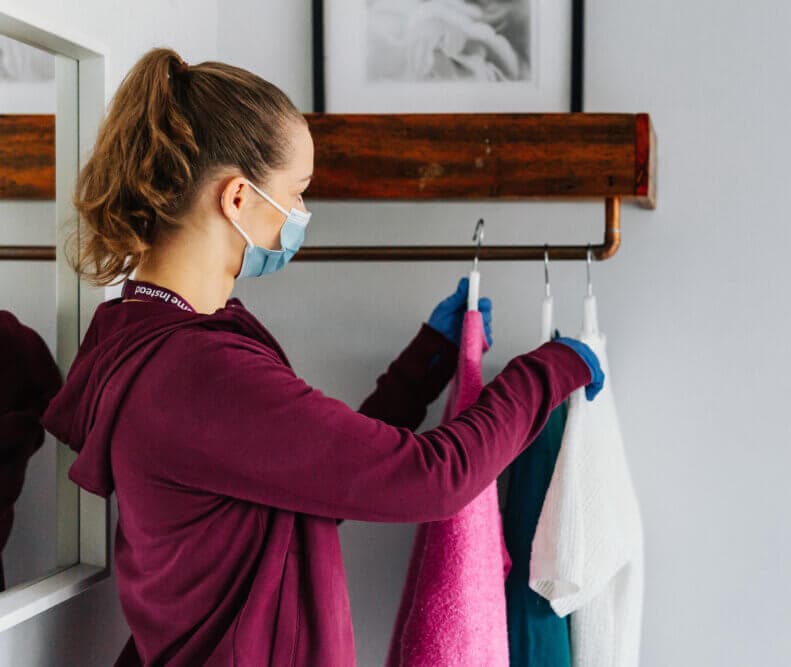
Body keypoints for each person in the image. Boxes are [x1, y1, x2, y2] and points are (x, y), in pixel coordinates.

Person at [40, 47, 604, 666]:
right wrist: (546, 371)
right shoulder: (200, 372)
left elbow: (313, 477)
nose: (303, 215)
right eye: (298, 193)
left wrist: (428, 359)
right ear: (237, 198)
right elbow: (432, 479)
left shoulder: (148, 338)